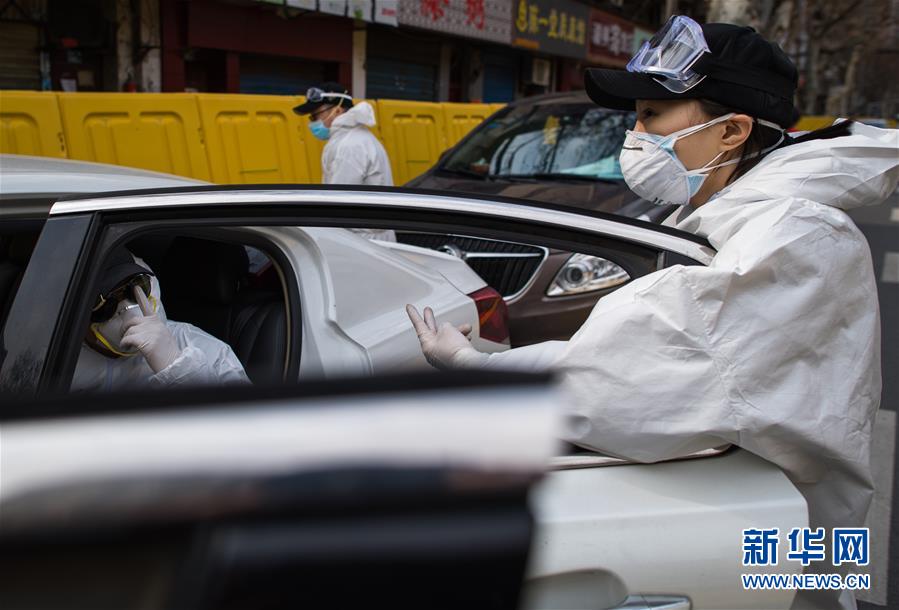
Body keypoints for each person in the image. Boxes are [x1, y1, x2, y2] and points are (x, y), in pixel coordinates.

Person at [407, 17, 899, 610]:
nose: (634, 135)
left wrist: (475, 367)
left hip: (787, 540)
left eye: (651, 115)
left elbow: (633, 380)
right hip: (759, 508)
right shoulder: (735, 211)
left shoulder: (790, 234)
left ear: (732, 131)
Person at [72, 248, 249, 391]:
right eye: (106, 303)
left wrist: (178, 369)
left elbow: (241, 421)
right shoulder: (63, 357)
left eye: (135, 289)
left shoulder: (207, 350)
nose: (126, 308)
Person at [294, 82, 395, 241]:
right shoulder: (354, 138)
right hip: (363, 235)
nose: (312, 122)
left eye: (315, 115)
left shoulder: (350, 145)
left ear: (338, 110)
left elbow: (337, 202)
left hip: (364, 240)